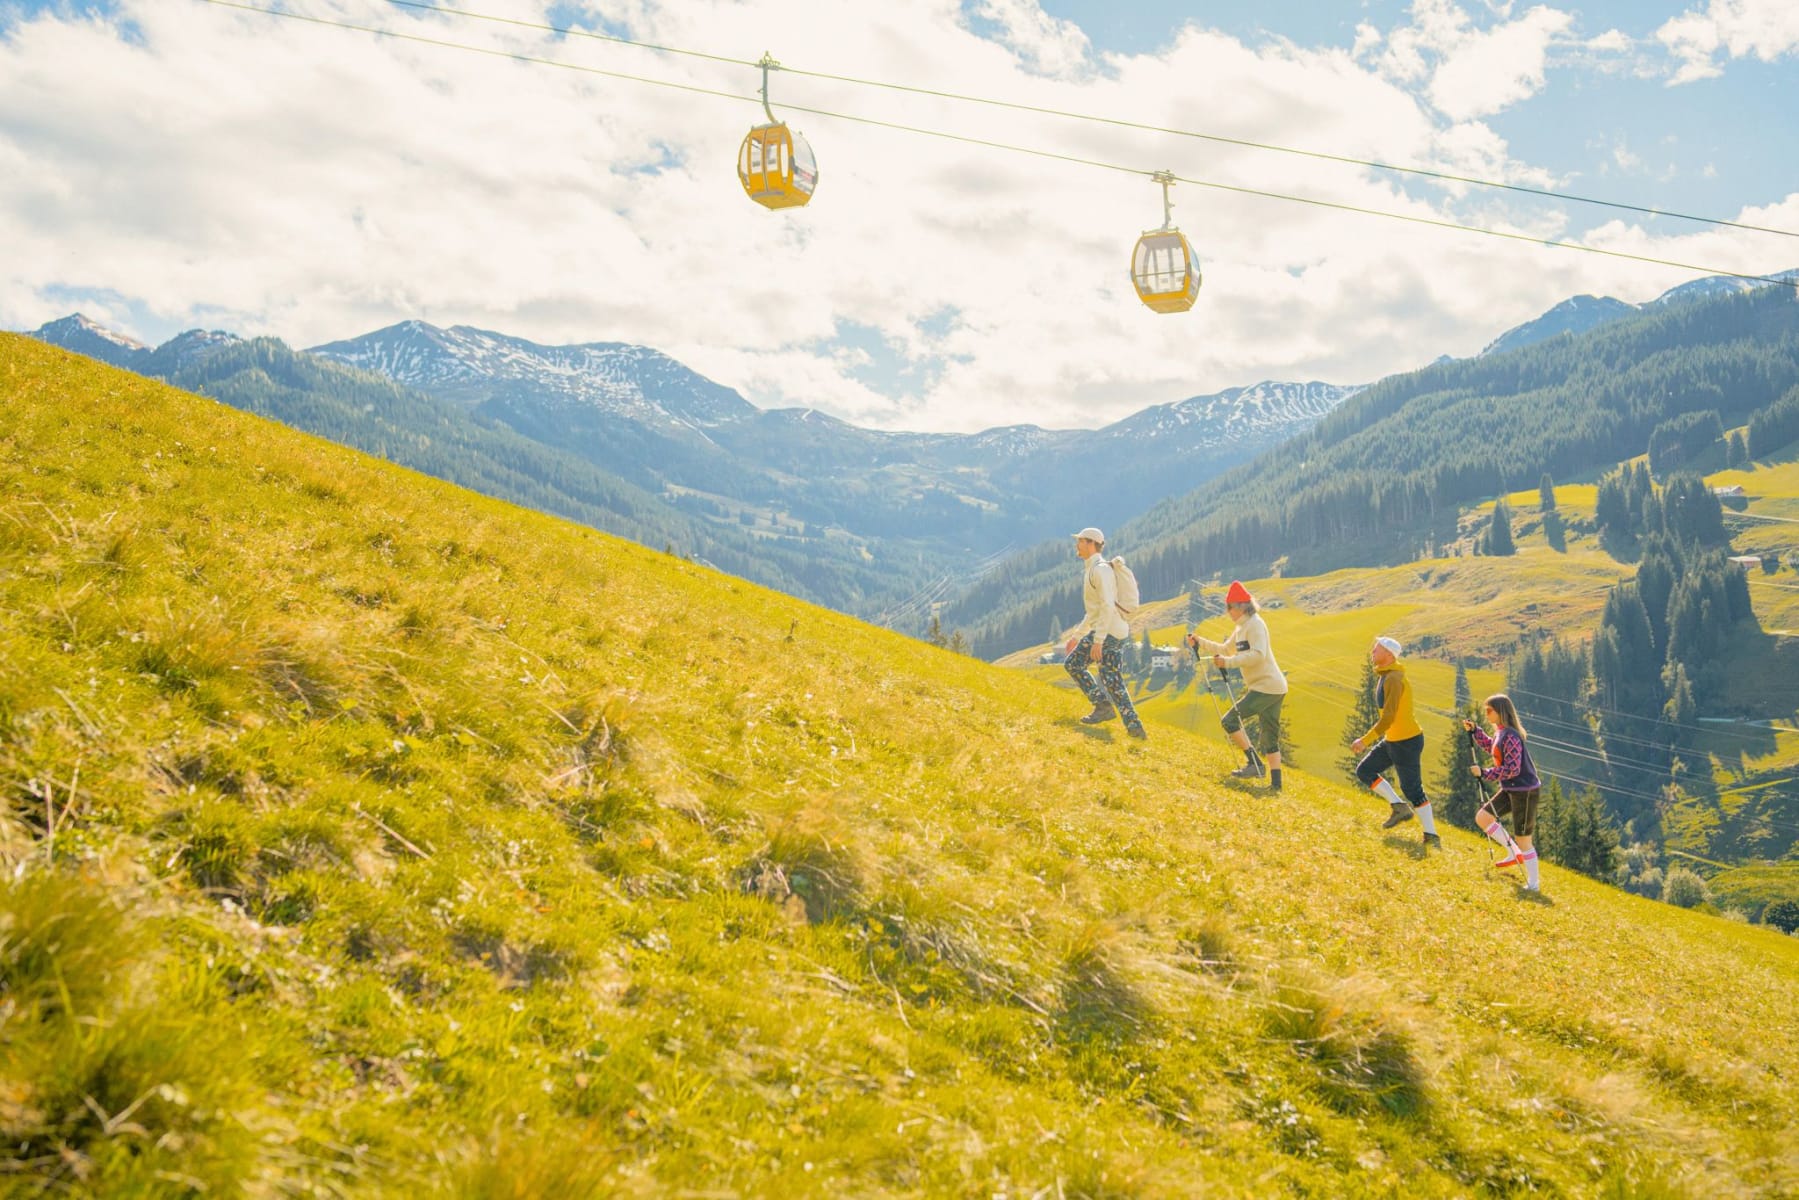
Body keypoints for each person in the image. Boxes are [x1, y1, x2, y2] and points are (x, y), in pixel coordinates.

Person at [1187, 581, 1287, 790]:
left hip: (1266, 686)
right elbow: (1225, 649)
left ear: (1241, 606)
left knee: (1230, 720)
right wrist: (1200, 641)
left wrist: (1228, 663)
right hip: (1271, 687)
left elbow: (1258, 655)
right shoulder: (1242, 627)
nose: (1228, 612)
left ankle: (1255, 764)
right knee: (1270, 736)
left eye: (1229, 607)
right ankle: (1276, 786)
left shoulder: (1255, 625)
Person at [1352, 636, 1441, 848]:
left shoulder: (1393, 679)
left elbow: (1388, 717)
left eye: (1377, 649)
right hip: (1393, 740)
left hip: (1406, 741)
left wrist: (1365, 740)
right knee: (1365, 771)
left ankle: (1432, 836)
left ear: (1389, 654)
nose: (1373, 651)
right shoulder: (1387, 676)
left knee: (1413, 790)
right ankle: (1399, 807)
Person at [1063, 527, 1147, 740]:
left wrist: (1098, 641)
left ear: (1091, 543)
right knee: (1113, 680)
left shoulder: (1099, 570)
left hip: (1107, 631)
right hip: (1117, 631)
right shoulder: (1097, 568)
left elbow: (1107, 606)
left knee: (1073, 664)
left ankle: (1102, 706)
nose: (1077, 545)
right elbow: (1095, 611)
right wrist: (1077, 636)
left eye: (1080, 541)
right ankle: (1135, 728)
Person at [1464, 693, 1542, 891]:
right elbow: (1492, 747)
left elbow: (1513, 769)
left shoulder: (1511, 736)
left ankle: (1534, 884)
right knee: (1483, 818)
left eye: (1489, 710)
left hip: (1524, 791)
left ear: (1500, 712)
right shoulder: (1501, 733)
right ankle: (1513, 853)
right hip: (1510, 788)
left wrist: (1484, 773)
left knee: (1524, 839)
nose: (1486, 713)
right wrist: (1476, 731)